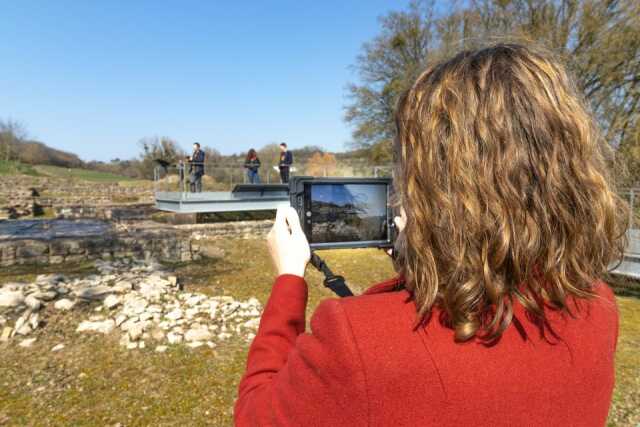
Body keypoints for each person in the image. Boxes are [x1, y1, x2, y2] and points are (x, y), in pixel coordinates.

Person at [234, 44, 626, 426]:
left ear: (433, 186)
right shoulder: (599, 308)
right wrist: (427, 259)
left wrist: (288, 279)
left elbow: (257, 415)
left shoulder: (357, 340)